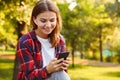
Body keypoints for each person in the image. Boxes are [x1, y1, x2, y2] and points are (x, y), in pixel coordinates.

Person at [16, 0, 70, 80]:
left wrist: (63, 66)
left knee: (60, 73)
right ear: (35, 19)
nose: (48, 25)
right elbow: (30, 76)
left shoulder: (60, 40)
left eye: (52, 20)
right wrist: (48, 69)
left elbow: (62, 74)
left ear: (57, 19)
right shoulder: (25, 42)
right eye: (43, 21)